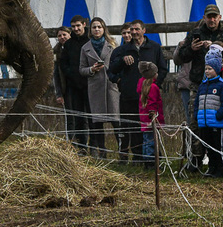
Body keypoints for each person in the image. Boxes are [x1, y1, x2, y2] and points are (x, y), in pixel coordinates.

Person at [174, 5, 223, 170]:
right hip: (199, 84)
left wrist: (216, 47)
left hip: (222, 84)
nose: (212, 20)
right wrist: (191, 49)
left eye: (214, 16)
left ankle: (222, 160)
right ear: (204, 17)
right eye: (209, 16)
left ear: (219, 17)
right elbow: (180, 58)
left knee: (221, 123)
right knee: (195, 122)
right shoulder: (196, 32)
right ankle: (195, 159)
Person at [108, 20, 166, 163]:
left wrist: (155, 85)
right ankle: (138, 157)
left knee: (150, 126)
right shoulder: (122, 50)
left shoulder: (154, 47)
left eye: (137, 29)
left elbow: (163, 69)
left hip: (149, 97)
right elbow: (111, 71)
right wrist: (122, 62)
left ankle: (152, 156)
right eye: (132, 30)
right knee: (132, 127)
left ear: (143, 30)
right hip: (129, 95)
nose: (134, 32)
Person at [79, 16, 120, 158]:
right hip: (95, 88)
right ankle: (102, 152)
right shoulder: (85, 48)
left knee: (116, 121)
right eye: (94, 27)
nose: (97, 29)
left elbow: (118, 64)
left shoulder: (113, 45)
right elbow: (81, 69)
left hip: (111, 86)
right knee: (97, 123)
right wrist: (91, 69)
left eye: (99, 27)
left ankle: (122, 153)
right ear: (90, 30)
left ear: (104, 29)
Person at [57, 16, 91, 153]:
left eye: (78, 26)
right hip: (74, 86)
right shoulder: (69, 44)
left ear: (84, 24)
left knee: (91, 117)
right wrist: (71, 72)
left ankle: (95, 146)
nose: (76, 29)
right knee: (77, 117)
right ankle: (81, 146)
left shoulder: (90, 41)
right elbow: (62, 63)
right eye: (73, 26)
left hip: (89, 84)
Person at [195, 51, 223, 177]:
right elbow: (197, 102)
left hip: (217, 122)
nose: (207, 71)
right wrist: (197, 114)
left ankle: (222, 168)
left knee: (219, 147)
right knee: (208, 147)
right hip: (204, 122)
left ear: (216, 69)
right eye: (206, 69)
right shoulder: (202, 85)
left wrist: (219, 115)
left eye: (210, 69)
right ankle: (212, 167)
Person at [137, 61, 164, 163]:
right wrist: (154, 118)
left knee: (147, 140)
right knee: (151, 141)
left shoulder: (142, 85)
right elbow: (152, 104)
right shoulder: (153, 87)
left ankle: (147, 158)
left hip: (144, 118)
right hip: (151, 119)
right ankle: (150, 161)